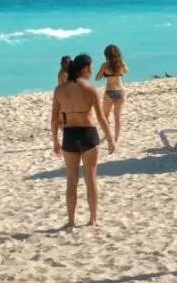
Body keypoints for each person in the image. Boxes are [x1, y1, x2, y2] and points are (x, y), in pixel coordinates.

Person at [51, 53, 116, 228]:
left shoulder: (59, 90)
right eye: (91, 67)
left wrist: (55, 140)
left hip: (69, 136)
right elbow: (101, 118)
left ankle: (71, 221)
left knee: (71, 181)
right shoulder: (90, 89)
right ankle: (93, 219)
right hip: (88, 134)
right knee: (90, 179)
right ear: (84, 69)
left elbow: (54, 119)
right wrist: (110, 139)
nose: (92, 70)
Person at [95, 44, 128, 143]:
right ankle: (117, 138)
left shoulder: (105, 65)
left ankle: (108, 135)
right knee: (117, 117)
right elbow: (126, 70)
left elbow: (97, 78)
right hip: (121, 91)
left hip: (109, 92)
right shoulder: (121, 63)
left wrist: (105, 74)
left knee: (105, 116)